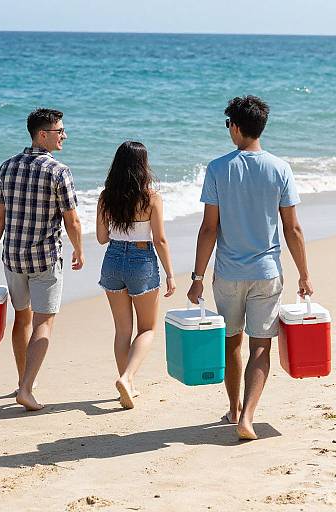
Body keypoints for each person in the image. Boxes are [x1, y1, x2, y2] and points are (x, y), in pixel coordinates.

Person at [187, 96, 313, 440]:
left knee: (231, 342)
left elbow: (209, 228)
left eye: (228, 124)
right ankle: (247, 416)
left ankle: (232, 408)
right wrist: (304, 274)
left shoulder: (217, 168)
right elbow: (293, 228)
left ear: (236, 127)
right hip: (267, 273)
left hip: (228, 273)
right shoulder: (280, 168)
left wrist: (197, 277)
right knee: (261, 346)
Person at [0, 108, 84, 411]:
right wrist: (79, 249)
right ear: (43, 135)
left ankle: (23, 379)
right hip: (44, 259)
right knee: (44, 322)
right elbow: (72, 221)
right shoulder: (59, 171)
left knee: (21, 318)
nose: (64, 135)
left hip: (12, 257)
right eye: (60, 131)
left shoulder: (7, 167)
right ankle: (26, 388)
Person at [96, 141, 176, 409]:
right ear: (143, 166)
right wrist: (170, 274)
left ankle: (125, 385)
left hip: (113, 259)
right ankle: (128, 378)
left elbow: (101, 237)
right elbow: (161, 239)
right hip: (142, 260)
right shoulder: (151, 197)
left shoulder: (106, 196)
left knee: (122, 330)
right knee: (147, 328)